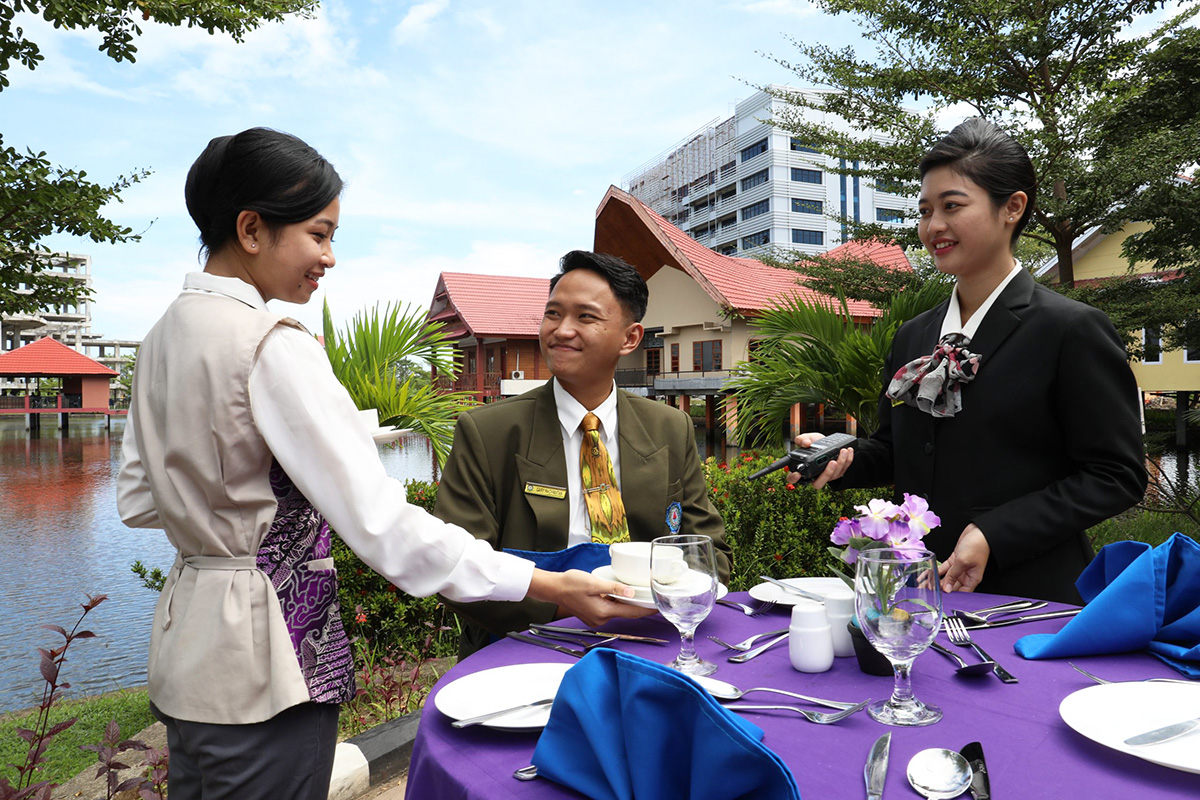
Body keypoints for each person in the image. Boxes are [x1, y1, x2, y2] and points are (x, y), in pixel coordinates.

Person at [116, 129, 642, 800]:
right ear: (251, 229)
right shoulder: (271, 345)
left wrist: (219, 521)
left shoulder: (161, 337)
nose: (329, 257)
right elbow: (384, 525)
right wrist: (552, 585)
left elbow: (138, 498)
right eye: (318, 233)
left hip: (189, 651)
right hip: (268, 658)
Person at [791, 118, 1146, 605]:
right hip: (919, 592)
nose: (933, 226)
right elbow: (896, 450)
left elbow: (1117, 475)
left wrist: (994, 532)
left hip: (1031, 599)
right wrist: (840, 457)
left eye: (952, 206)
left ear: (1012, 208)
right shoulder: (914, 335)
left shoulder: (1070, 330)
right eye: (925, 211)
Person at [434, 250, 730, 656]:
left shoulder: (668, 427)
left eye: (585, 317)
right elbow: (454, 566)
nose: (561, 330)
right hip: (524, 645)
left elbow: (707, 552)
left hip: (648, 642)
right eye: (553, 314)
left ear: (630, 338)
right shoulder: (488, 432)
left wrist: (658, 599)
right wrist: (560, 602)